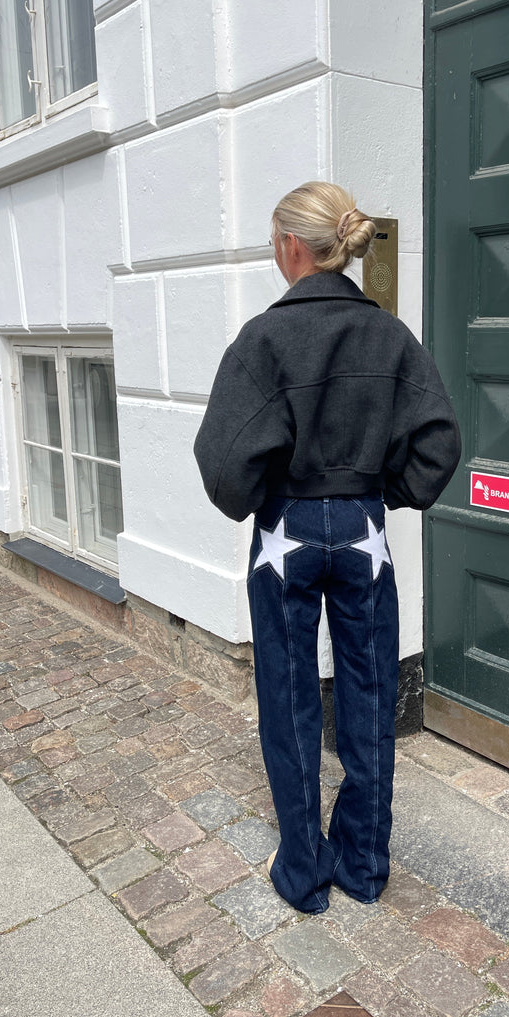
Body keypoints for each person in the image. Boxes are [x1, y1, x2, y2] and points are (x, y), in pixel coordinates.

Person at [193, 181, 461, 914]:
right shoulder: (390, 336)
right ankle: (365, 863)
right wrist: (380, 491)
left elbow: (222, 463)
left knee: (287, 692)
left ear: (291, 246)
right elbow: (439, 443)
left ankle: (304, 871)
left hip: (286, 530)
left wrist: (264, 493)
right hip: (363, 531)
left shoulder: (262, 340)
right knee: (370, 687)